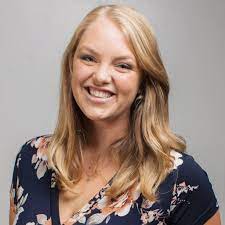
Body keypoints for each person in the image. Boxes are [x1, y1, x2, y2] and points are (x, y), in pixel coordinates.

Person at [9, 4, 221, 225]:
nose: (100, 76)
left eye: (122, 65)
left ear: (143, 82)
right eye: (89, 58)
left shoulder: (180, 181)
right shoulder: (31, 159)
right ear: (71, 66)